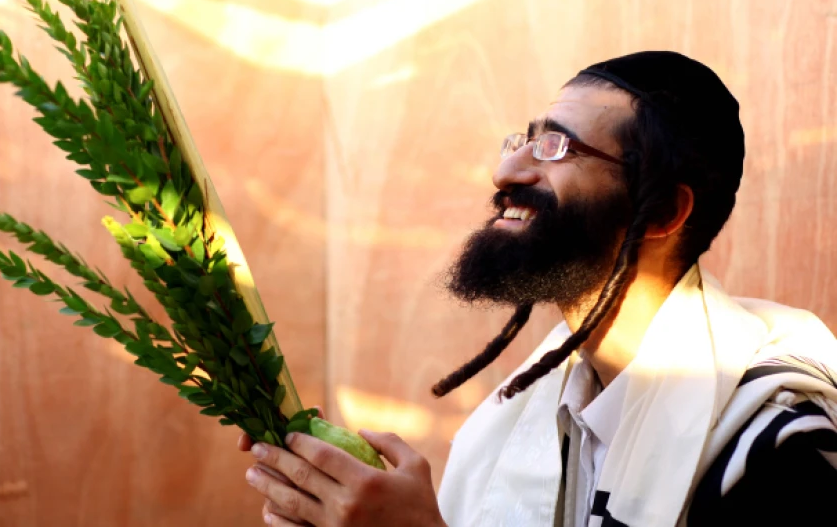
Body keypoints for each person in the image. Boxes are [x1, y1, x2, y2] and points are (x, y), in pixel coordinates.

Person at [238, 51, 837, 526]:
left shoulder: (775, 452)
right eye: (522, 142)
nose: (506, 172)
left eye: (557, 148)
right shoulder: (540, 406)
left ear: (662, 214)